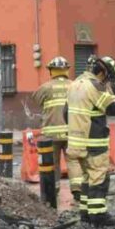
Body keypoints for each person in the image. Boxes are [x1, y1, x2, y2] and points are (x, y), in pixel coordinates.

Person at [66, 56, 115, 226]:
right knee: (99, 179)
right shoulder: (95, 86)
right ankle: (98, 215)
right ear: (103, 72)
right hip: (94, 142)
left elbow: (66, 112)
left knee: (87, 178)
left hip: (76, 143)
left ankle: (85, 213)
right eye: (108, 77)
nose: (108, 81)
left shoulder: (75, 84)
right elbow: (114, 108)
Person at [31, 56, 72, 189]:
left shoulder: (45, 88)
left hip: (51, 134)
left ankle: (54, 189)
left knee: (52, 164)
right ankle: (77, 190)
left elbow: (36, 100)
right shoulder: (75, 86)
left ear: (51, 71)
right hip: (71, 133)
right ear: (66, 70)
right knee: (74, 162)